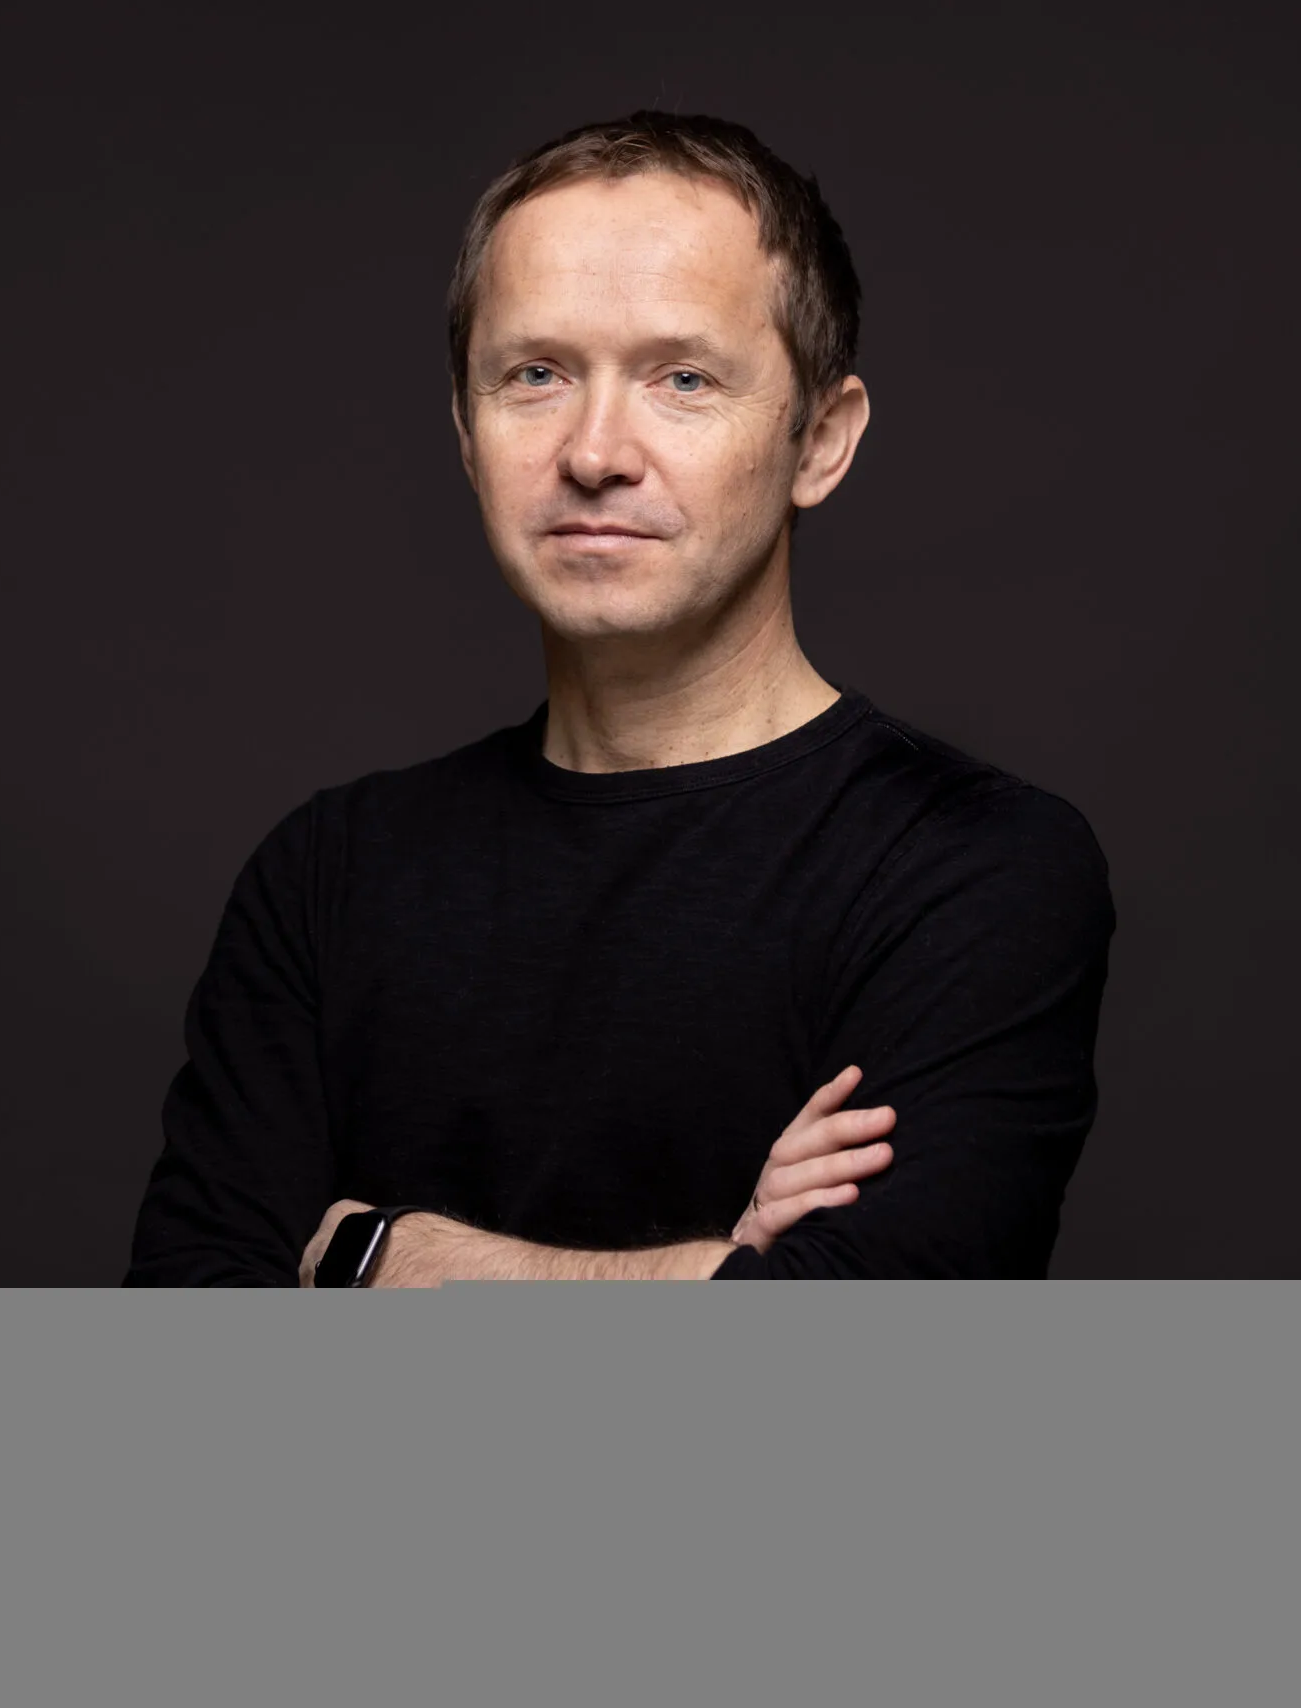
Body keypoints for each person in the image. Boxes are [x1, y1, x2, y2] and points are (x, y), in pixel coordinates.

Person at [125, 111, 1114, 1284]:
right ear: (464, 428)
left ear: (820, 440)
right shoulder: (327, 875)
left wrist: (395, 1260)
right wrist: (714, 1272)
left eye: (680, 378)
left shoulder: (972, 868)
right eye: (534, 374)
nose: (595, 451)